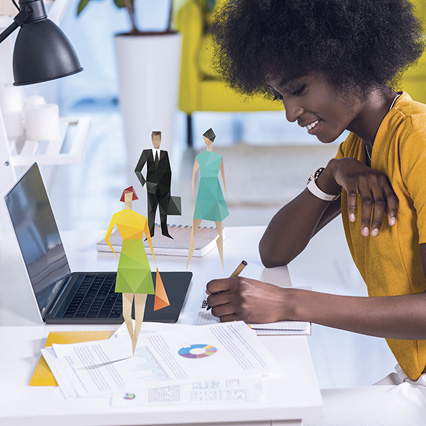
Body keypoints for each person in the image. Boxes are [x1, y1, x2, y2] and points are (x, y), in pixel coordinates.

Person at [205, 0, 426, 424]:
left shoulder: (415, 142)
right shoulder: (359, 147)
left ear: (349, 61)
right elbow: (274, 251)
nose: (289, 113)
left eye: (299, 89)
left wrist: (289, 303)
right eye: (280, 96)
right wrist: (331, 176)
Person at [104, 186, 157, 353]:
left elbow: (107, 239)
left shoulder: (117, 217)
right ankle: (136, 341)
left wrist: (115, 254)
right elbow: (148, 240)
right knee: (139, 308)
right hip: (139, 258)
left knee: (127, 310)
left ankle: (132, 342)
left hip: (126, 258)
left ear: (123, 199)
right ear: (133, 199)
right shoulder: (141, 218)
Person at [187, 128, 229, 268]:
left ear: (206, 140)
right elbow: (222, 177)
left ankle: (199, 244)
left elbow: (193, 176)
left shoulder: (201, 157)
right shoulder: (216, 158)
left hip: (207, 186)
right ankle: (218, 241)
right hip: (212, 185)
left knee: (199, 218)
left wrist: (193, 189)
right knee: (214, 220)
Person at [134, 131, 173, 239]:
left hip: (164, 188)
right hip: (151, 187)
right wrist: (144, 184)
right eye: (155, 139)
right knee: (151, 211)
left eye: (158, 139)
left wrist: (168, 190)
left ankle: (165, 231)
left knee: (163, 211)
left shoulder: (164, 153)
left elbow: (168, 172)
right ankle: (150, 233)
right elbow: (138, 170)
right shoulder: (146, 153)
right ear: (152, 140)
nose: (157, 142)